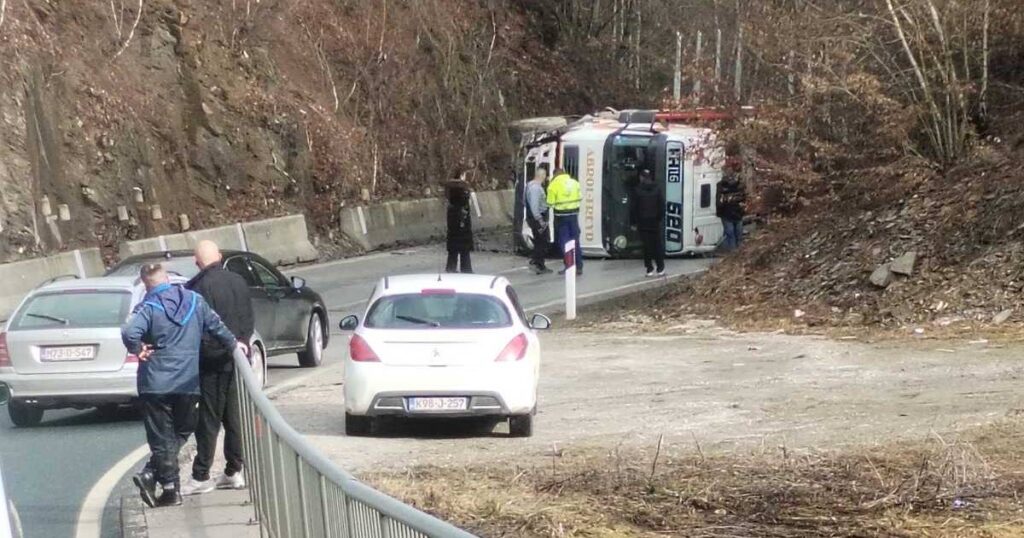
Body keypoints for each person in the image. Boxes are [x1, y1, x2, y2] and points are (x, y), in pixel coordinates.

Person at [123, 263, 244, 508]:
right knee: (183, 430)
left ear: (146, 285)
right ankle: (165, 485)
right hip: (187, 382)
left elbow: (129, 332)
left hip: (155, 383)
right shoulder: (194, 301)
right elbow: (217, 327)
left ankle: (164, 484)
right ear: (167, 278)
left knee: (161, 437)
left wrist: (138, 349)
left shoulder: (148, 307)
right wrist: (234, 345)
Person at [180, 241, 255, 496]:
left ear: (196, 262)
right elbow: (248, 318)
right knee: (234, 418)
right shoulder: (238, 281)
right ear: (220, 257)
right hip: (239, 358)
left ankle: (201, 475)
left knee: (208, 420)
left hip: (211, 361)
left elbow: (197, 328)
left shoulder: (197, 288)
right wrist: (242, 344)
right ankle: (234, 470)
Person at [546, 168, 583, 276]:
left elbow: (550, 203)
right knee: (575, 241)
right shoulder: (575, 183)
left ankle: (569, 266)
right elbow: (580, 197)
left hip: (561, 217)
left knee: (565, 243)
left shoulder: (553, 185)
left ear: (555, 175)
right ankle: (579, 266)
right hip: (574, 216)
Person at [632, 169, 666, 277]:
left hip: (643, 222)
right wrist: (659, 218)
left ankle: (649, 268)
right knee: (657, 244)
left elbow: (633, 208)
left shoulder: (637, 190)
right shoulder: (657, 189)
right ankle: (660, 268)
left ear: (642, 177)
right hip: (654, 221)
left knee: (646, 246)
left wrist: (633, 222)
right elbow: (661, 206)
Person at [716, 158, 746, 252]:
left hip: (737, 213)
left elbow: (743, 197)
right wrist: (720, 211)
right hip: (727, 213)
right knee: (731, 234)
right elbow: (718, 200)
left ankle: (738, 253)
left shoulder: (739, 185)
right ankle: (733, 254)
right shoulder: (721, 185)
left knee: (738, 235)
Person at [525, 169, 552, 274]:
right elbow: (535, 207)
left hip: (535, 218)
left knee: (539, 241)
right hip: (538, 218)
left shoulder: (530, 186)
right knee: (542, 242)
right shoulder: (536, 188)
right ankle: (539, 265)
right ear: (542, 175)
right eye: (545, 175)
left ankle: (536, 261)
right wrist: (540, 221)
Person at [446, 177, 473, 273]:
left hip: (453, 234)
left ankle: (451, 269)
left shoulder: (451, 207)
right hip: (463, 234)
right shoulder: (463, 205)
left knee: (453, 253)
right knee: (464, 253)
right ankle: (466, 270)